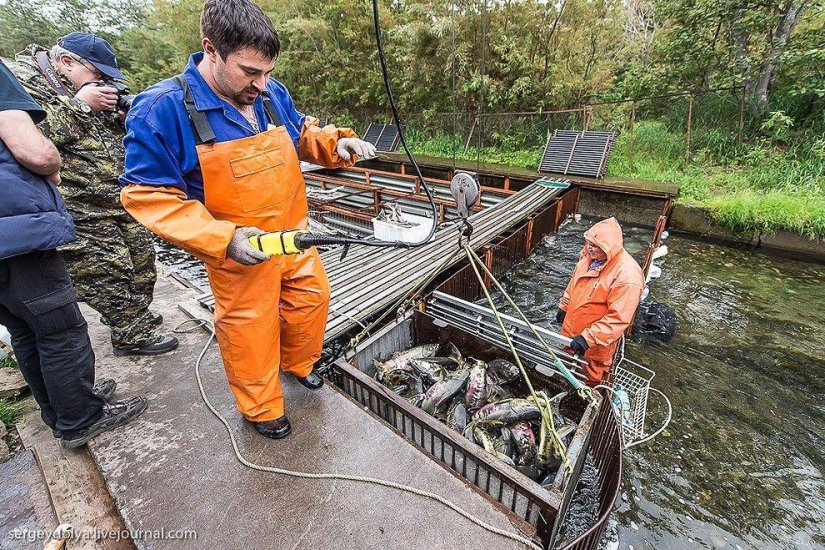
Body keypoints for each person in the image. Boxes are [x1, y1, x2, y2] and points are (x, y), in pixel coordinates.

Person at [119, 0, 376, 439]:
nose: (262, 84)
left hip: (293, 233)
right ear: (211, 50)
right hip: (238, 247)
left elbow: (299, 134)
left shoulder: (270, 93)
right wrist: (225, 239)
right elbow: (149, 195)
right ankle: (260, 407)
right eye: (249, 72)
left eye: (268, 72)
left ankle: (297, 365)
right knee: (250, 328)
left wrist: (336, 146)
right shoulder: (161, 109)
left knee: (310, 302)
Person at [0, 60, 147, 448]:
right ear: (67, 63)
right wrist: (50, 161)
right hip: (17, 233)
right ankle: (81, 418)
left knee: (25, 329)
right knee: (60, 328)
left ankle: (63, 409)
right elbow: (38, 153)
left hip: (6, 238)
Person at [6, 33, 178, 356]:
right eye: (97, 74)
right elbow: (33, 137)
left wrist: (124, 118)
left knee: (142, 259)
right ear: (67, 62)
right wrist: (81, 104)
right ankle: (131, 333)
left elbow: (109, 137)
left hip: (120, 193)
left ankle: (134, 314)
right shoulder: (24, 82)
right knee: (107, 270)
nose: (102, 82)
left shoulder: (90, 87)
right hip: (79, 203)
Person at [556, 217, 645, 385]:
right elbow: (575, 282)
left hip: (595, 344)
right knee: (566, 369)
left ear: (609, 248)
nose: (590, 248)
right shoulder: (589, 256)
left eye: (596, 246)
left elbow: (617, 318)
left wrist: (588, 339)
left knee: (589, 380)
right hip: (571, 332)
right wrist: (564, 305)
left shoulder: (627, 276)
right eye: (589, 243)